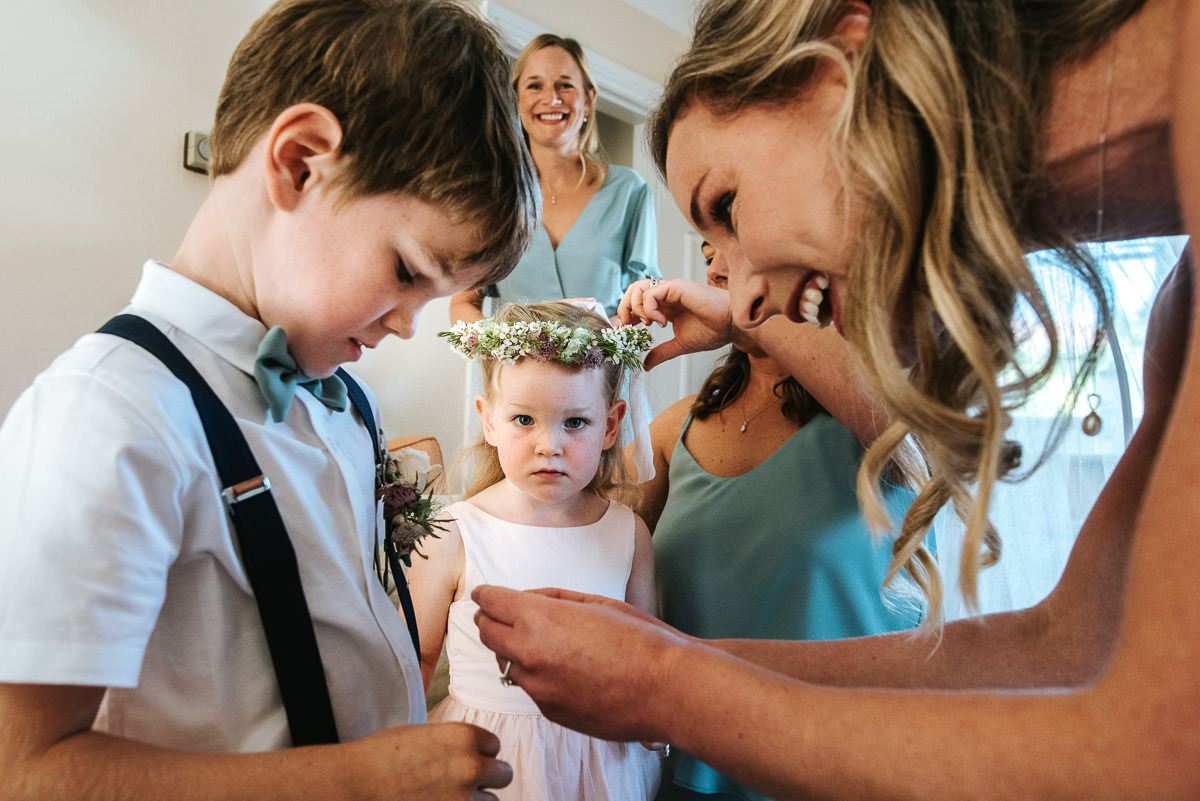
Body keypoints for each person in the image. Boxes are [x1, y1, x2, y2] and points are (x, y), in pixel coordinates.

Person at [470, 0, 1200, 797]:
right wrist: (661, 655)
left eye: (728, 206)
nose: (744, 298)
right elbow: (1069, 649)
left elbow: (1159, 753)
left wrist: (662, 682)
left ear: (838, 63)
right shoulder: (1182, 306)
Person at [0, 1, 538, 799]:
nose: (406, 323)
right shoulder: (107, 414)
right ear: (300, 161)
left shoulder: (345, 401)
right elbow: (26, 770)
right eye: (405, 271)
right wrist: (359, 778)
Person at [636, 242, 921, 801]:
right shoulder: (674, 431)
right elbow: (588, 546)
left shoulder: (882, 413)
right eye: (706, 249)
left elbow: (923, 445)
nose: (715, 266)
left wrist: (756, 318)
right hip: (695, 775)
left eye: (735, 240)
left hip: (846, 770)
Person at [409, 301, 661, 801]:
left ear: (611, 425)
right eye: (524, 419)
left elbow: (650, 652)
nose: (549, 445)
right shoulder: (453, 532)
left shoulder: (629, 533)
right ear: (488, 420)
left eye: (575, 423)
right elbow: (414, 660)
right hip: (491, 756)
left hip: (603, 762)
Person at [449, 33, 660, 323]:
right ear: (516, 99)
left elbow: (646, 302)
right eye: (535, 85)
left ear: (588, 99)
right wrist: (501, 351)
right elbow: (463, 302)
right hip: (512, 366)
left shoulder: (629, 192)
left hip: (603, 366)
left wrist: (596, 353)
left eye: (565, 85)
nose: (552, 98)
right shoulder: (492, 195)